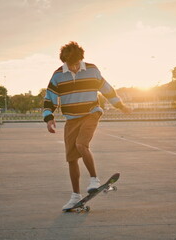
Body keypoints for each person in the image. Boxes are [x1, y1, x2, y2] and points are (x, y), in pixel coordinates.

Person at [43, 41, 131, 210]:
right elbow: (50, 98)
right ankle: (75, 196)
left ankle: (94, 179)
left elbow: (107, 90)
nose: (74, 67)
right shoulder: (58, 75)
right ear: (64, 61)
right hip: (72, 119)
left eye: (76, 63)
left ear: (80, 59)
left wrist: (120, 106)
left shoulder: (92, 70)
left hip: (91, 113)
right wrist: (49, 118)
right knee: (71, 158)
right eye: (70, 64)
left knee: (81, 144)